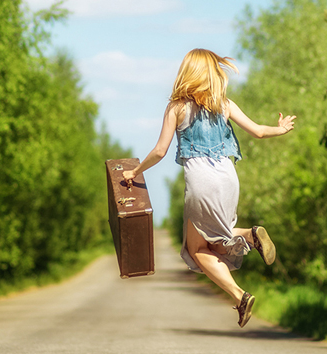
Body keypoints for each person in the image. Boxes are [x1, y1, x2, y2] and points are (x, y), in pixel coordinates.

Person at [122, 48, 296, 328]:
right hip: (229, 179)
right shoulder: (225, 104)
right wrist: (282, 128)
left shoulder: (177, 107)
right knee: (216, 240)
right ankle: (250, 237)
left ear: (187, 72)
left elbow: (159, 151)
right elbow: (259, 131)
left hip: (202, 184)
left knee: (197, 250)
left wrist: (134, 171)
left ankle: (240, 294)